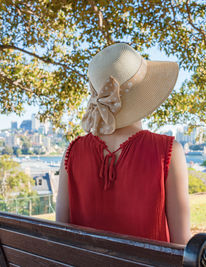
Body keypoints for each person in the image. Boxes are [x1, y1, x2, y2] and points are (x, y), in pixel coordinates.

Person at [56, 43, 191, 245]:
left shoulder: (72, 152)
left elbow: (61, 237)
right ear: (145, 93)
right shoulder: (168, 151)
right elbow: (181, 244)